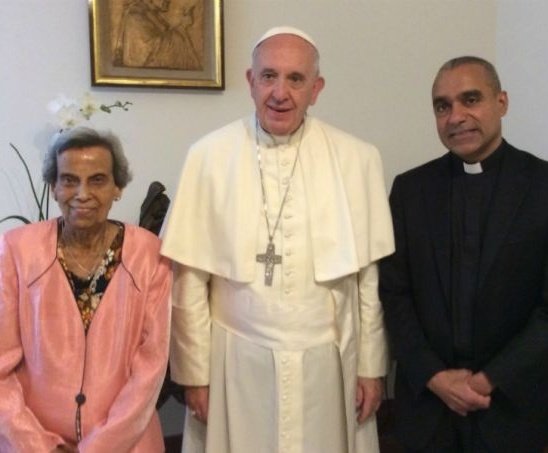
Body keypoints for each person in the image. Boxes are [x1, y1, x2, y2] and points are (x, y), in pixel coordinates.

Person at [161, 26, 395, 453]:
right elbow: (190, 278)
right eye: (269, 76)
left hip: (328, 362)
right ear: (251, 81)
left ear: (316, 89)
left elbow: (367, 281)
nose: (280, 93)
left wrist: (371, 367)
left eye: (296, 79)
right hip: (236, 359)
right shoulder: (208, 155)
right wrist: (195, 374)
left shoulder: (357, 158)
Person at [379, 56, 548, 452]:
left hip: (513, 409)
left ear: (501, 102)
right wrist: (435, 377)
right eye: (442, 106)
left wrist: (489, 380)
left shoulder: (542, 187)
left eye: (471, 99)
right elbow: (393, 294)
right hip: (428, 412)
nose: (456, 116)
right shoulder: (410, 191)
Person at [0, 127, 172, 452]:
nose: (82, 193)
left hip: (127, 443)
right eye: (69, 180)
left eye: (97, 180)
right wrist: (38, 445)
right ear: (53, 187)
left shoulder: (150, 255)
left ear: (117, 187)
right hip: (32, 442)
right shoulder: (16, 251)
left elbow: (151, 368)